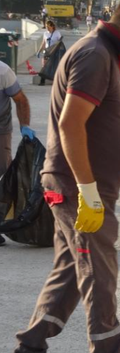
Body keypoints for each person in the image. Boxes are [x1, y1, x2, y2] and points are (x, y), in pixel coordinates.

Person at [0, 1, 120, 353]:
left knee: (70, 272)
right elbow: (70, 124)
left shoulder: (103, 54)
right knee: (100, 275)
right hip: (78, 190)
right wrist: (88, 192)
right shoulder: (95, 55)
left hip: (81, 188)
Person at [0, 60, 34, 246]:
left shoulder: (3, 71)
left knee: (3, 174)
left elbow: (20, 100)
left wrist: (25, 126)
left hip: (0, 130)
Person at [37, 21, 63, 86]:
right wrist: (39, 51)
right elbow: (43, 43)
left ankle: (56, 81)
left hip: (54, 51)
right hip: (47, 51)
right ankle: (42, 81)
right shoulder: (45, 33)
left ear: (52, 27)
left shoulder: (57, 33)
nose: (47, 29)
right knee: (44, 66)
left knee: (54, 66)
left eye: (48, 27)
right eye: (46, 27)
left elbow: (60, 43)